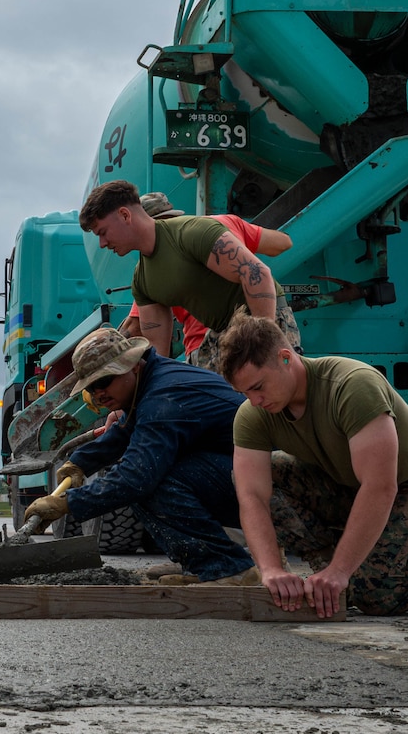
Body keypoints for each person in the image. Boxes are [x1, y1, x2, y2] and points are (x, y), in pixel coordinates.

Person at [220, 316, 408, 616]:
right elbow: (252, 496)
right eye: (244, 393)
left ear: (285, 359)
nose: (254, 401)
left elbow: (380, 486)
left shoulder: (352, 385)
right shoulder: (253, 414)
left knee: (380, 596)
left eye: (258, 387)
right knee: (259, 476)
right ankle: (331, 568)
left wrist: (340, 570)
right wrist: (270, 570)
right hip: (348, 488)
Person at [23, 327, 256, 586]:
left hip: (267, 487)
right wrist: (79, 463)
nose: (99, 393)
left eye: (104, 381)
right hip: (240, 473)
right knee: (150, 476)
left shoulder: (162, 398)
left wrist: (68, 504)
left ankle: (226, 568)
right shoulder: (153, 379)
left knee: (149, 482)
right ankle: (201, 563)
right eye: (92, 386)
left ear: (131, 365)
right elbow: (126, 430)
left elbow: (135, 478)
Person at [78, 178, 301, 369]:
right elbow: (157, 351)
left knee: (275, 396)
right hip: (220, 334)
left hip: (262, 320)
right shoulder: (143, 281)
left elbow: (257, 273)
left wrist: (267, 343)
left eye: (103, 232)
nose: (102, 243)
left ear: (125, 215)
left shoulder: (194, 232)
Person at [122, 193, 293, 362]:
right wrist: (239, 248)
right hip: (256, 319)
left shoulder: (157, 265)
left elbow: (136, 326)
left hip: (203, 345)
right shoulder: (220, 225)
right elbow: (282, 244)